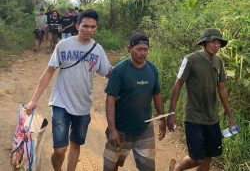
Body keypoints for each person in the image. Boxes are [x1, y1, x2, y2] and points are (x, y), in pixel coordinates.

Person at [25, 9, 112, 171]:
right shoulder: (64, 45)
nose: (89, 30)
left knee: (75, 145)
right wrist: (34, 100)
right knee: (60, 149)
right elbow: (48, 72)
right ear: (77, 25)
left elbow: (108, 72)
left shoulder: (97, 50)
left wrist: (130, 70)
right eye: (85, 26)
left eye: (93, 27)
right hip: (60, 103)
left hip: (83, 106)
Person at [167, 28, 236, 171]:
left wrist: (230, 115)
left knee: (208, 157)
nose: (216, 45)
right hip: (194, 118)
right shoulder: (190, 60)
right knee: (197, 158)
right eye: (212, 41)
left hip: (212, 118)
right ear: (204, 43)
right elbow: (178, 84)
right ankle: (177, 169)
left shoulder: (218, 62)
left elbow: (221, 89)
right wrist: (171, 112)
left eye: (218, 42)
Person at [103, 33, 166, 171]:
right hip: (121, 129)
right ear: (129, 48)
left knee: (148, 168)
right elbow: (110, 99)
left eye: (145, 49)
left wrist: (162, 118)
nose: (142, 53)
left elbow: (156, 94)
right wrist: (112, 129)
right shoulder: (119, 71)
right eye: (138, 49)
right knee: (111, 166)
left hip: (144, 129)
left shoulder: (152, 69)